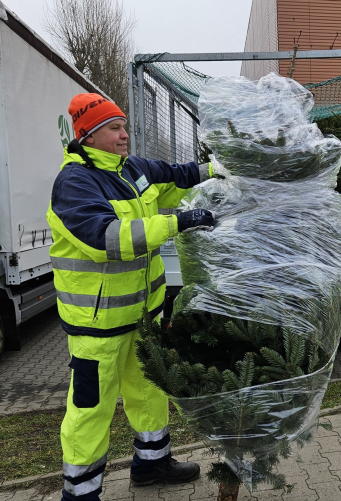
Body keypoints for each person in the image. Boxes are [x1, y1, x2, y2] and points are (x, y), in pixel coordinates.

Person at [46, 93, 215, 501]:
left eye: (124, 125)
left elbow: (178, 175)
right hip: (97, 326)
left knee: (149, 390)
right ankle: (81, 492)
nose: (125, 134)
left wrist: (221, 169)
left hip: (144, 314)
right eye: (114, 128)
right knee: (92, 408)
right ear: (88, 135)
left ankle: (152, 461)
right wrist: (179, 221)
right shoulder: (75, 183)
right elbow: (108, 239)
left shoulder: (132, 169)